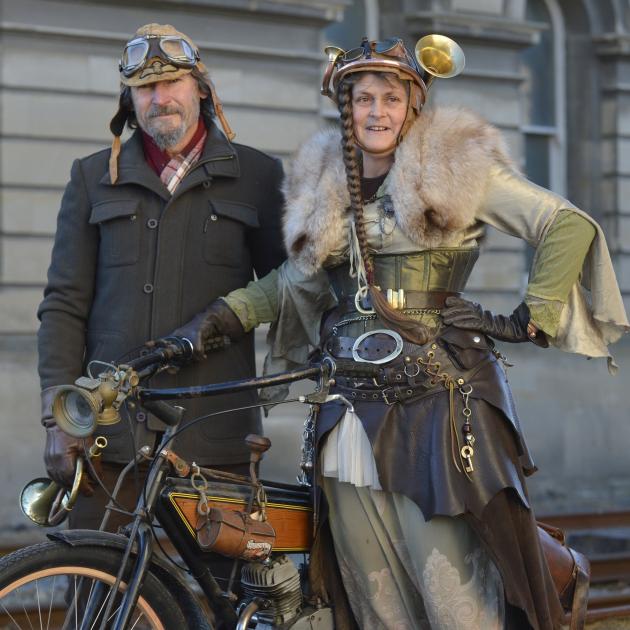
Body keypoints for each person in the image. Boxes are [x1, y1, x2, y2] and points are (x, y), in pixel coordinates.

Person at [163, 36, 629, 629]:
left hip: (438, 410)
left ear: (412, 105)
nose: (376, 112)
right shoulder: (325, 186)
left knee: (456, 602)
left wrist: (527, 318)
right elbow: (288, 287)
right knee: (373, 601)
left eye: (390, 97)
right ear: (346, 109)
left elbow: (565, 225)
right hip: (345, 413)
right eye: (362, 99)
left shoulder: (455, 165)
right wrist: (205, 328)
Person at [38, 23, 286, 535]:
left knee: (224, 600)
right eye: (146, 88)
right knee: (99, 596)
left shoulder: (259, 177)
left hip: (216, 437)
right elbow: (64, 304)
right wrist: (59, 418)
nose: (160, 98)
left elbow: (291, 289)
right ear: (130, 101)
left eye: (172, 83)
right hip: (109, 439)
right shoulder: (91, 178)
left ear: (201, 88)